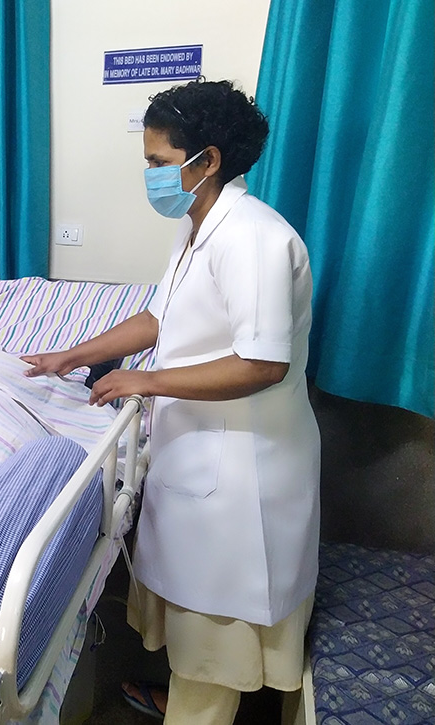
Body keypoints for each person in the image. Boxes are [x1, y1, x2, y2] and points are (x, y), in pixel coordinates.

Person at [22, 80, 320, 724]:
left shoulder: (255, 239)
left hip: (246, 468)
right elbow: (158, 318)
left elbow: (263, 362)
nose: (151, 175)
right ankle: (183, 699)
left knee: (219, 622)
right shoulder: (200, 228)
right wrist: (71, 354)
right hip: (201, 452)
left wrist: (145, 382)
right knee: (193, 616)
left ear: (207, 160)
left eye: (159, 162)